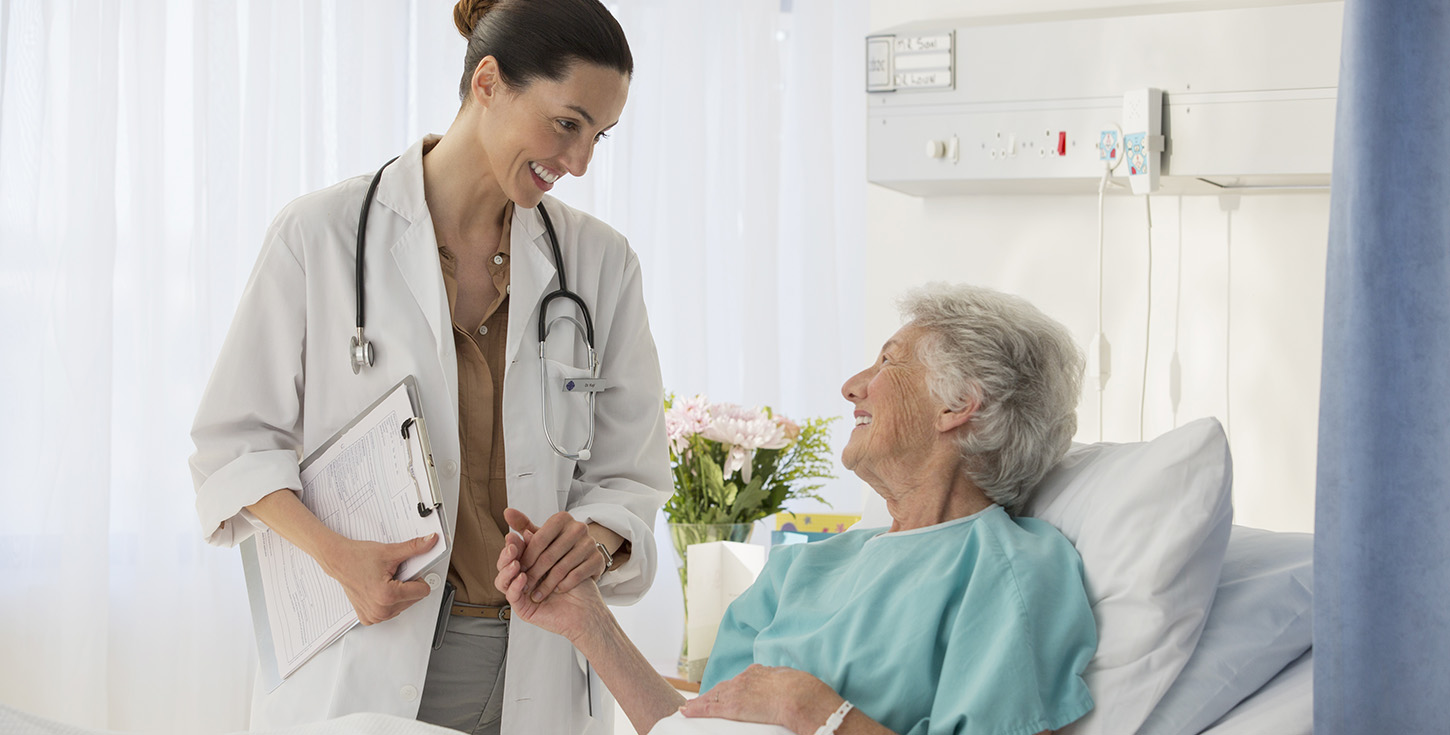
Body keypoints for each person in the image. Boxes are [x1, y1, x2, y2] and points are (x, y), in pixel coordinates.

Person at [188, 1, 670, 732]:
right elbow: (235, 445)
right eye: (567, 124)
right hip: (370, 649)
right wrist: (337, 556)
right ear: (487, 83)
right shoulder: (319, 236)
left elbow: (632, 473)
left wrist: (596, 540)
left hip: (537, 659)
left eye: (598, 136)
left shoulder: (601, 264)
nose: (578, 163)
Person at [497, 283, 1098, 735]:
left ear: (959, 404)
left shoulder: (1012, 570)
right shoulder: (802, 569)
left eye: (889, 362)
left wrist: (813, 711)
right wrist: (586, 620)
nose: (852, 385)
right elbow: (697, 728)